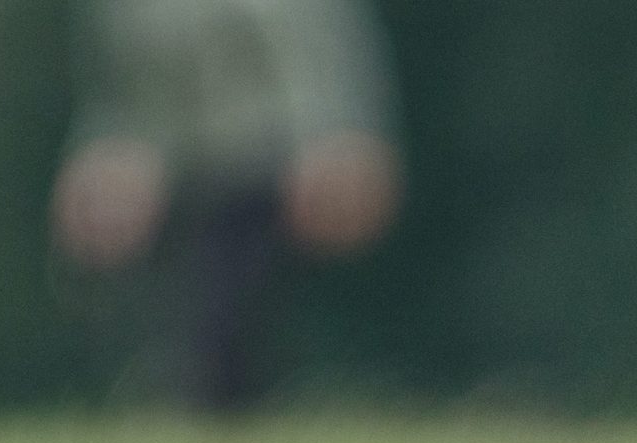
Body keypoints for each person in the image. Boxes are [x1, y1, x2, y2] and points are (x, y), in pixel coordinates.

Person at [52, 0, 402, 413]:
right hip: (177, 173)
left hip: (265, 161)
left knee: (230, 314)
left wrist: (333, 137)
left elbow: (317, 59)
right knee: (177, 313)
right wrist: (101, 155)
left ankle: (238, 420)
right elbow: (122, 90)